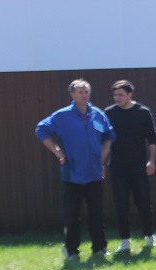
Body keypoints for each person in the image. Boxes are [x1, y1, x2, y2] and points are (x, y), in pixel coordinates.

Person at [36, 79, 115, 260]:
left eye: (86, 91)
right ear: (72, 94)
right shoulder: (62, 116)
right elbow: (41, 130)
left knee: (96, 213)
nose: (84, 95)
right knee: (72, 214)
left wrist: (104, 153)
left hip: (94, 173)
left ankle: (99, 248)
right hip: (72, 174)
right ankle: (71, 250)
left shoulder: (98, 114)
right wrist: (57, 152)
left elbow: (109, 135)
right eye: (80, 92)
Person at [105, 80, 156, 253]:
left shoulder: (142, 112)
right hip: (117, 165)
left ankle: (149, 236)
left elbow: (152, 138)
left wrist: (151, 161)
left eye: (121, 94)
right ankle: (125, 240)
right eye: (115, 95)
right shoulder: (109, 113)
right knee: (121, 203)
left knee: (143, 201)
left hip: (139, 165)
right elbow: (104, 139)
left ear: (130, 94)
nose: (117, 98)